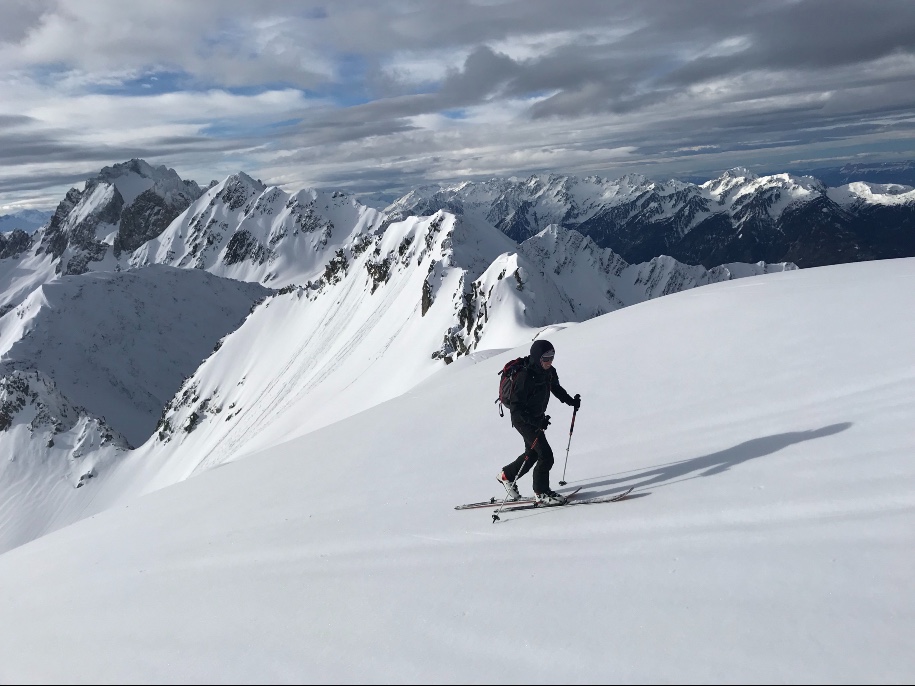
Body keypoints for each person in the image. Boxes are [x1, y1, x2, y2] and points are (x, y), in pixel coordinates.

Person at [498, 339, 581, 505]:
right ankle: (541, 493)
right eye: (546, 358)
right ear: (537, 357)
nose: (550, 361)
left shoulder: (548, 372)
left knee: (533, 454)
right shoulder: (525, 376)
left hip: (536, 418)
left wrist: (571, 401)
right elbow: (516, 409)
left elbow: (555, 388)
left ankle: (507, 475)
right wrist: (536, 422)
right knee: (546, 455)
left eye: (552, 357)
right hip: (523, 420)